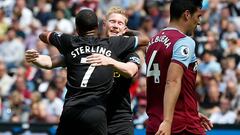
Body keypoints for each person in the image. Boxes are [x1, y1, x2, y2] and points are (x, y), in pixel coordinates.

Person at [26, 9, 148, 135]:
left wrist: (111, 61)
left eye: (120, 23)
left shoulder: (128, 52)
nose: (116, 26)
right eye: (112, 22)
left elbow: (130, 70)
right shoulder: (91, 48)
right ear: (103, 25)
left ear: (125, 29)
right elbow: (54, 61)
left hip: (118, 118)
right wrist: (36, 59)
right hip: (95, 113)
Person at [145, 0, 213, 135]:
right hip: (181, 126)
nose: (199, 22)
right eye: (198, 16)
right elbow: (172, 81)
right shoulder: (184, 42)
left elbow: (161, 82)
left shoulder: (153, 41)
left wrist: (192, 110)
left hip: (155, 124)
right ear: (187, 14)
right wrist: (168, 121)